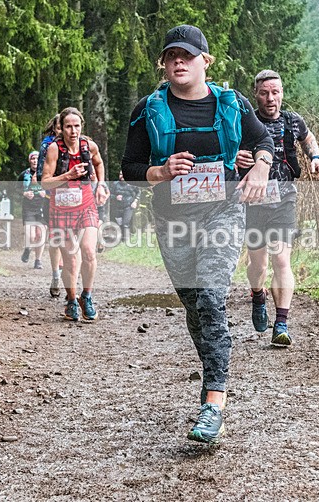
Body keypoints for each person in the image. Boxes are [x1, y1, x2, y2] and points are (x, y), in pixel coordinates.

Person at [121, 25, 273, 445]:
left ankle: (214, 401)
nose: (178, 62)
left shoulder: (230, 102)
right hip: (172, 220)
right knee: (194, 306)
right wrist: (160, 171)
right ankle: (212, 371)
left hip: (223, 212)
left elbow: (262, 141)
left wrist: (259, 168)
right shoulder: (147, 109)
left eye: (187, 55)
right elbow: (130, 167)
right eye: (171, 56)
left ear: (206, 61)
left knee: (210, 295)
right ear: (163, 63)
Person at [238, 69, 319, 346]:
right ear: (257, 94)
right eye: (264, 93)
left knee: (281, 259)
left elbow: (308, 137)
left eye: (275, 92)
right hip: (253, 200)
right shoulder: (246, 122)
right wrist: (237, 159)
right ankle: (257, 296)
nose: (270, 98)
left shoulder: (292, 121)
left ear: (282, 93)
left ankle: (282, 324)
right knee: (258, 264)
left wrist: (315, 157)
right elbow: (228, 151)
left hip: (285, 197)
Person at [41, 107, 109, 322]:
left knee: (89, 251)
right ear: (61, 127)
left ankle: (86, 296)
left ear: (82, 126)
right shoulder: (54, 149)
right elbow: (44, 182)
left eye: (77, 126)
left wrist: (100, 185)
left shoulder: (89, 146)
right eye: (69, 126)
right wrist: (69, 175)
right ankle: (71, 300)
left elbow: (98, 163)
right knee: (70, 260)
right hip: (60, 209)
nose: (73, 131)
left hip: (86, 204)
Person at [37, 114, 64, 296]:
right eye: (61, 126)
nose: (66, 130)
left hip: (77, 199)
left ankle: (68, 274)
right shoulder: (47, 145)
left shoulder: (82, 144)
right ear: (54, 128)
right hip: (52, 198)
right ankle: (56, 274)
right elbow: (41, 174)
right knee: (57, 238)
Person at [20, 151, 47, 269]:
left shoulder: (46, 173)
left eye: (37, 158)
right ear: (29, 160)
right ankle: (27, 248)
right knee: (31, 236)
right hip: (28, 208)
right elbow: (15, 189)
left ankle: (38, 260)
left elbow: (54, 188)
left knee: (40, 235)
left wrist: (45, 193)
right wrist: (24, 193)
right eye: (33, 159)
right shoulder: (24, 174)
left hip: (42, 207)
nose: (35, 161)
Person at [110, 171, 140, 240]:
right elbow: (109, 194)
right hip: (117, 207)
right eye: (120, 174)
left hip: (128, 206)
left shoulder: (132, 184)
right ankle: (121, 237)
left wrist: (135, 201)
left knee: (125, 224)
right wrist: (115, 197)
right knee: (119, 223)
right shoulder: (115, 184)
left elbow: (139, 192)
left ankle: (126, 239)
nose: (122, 176)